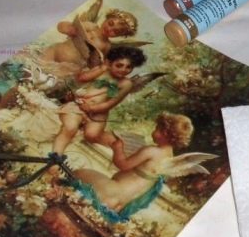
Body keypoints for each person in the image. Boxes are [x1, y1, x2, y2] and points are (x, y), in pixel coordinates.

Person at [72, 112, 207, 222]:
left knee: (80, 173)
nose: (154, 131)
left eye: (157, 128)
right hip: (120, 204)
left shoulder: (151, 151)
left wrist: (118, 148)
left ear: (165, 133)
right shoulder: (169, 159)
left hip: (111, 192)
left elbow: (123, 165)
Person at [51, 45, 146, 155]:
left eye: (129, 67)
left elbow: (110, 103)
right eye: (119, 65)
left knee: (92, 135)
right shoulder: (101, 70)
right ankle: (55, 156)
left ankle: (122, 143)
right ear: (109, 62)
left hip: (99, 112)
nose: (123, 70)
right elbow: (82, 78)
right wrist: (101, 69)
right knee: (70, 128)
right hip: (78, 105)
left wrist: (91, 108)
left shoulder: (126, 83)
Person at [40, 8, 138, 68]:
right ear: (108, 18)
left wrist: (96, 59)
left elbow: (94, 64)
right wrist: (69, 28)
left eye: (116, 32)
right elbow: (61, 26)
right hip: (56, 51)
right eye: (110, 23)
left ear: (119, 36)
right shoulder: (91, 26)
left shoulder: (106, 45)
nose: (110, 29)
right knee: (38, 63)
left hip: (69, 66)